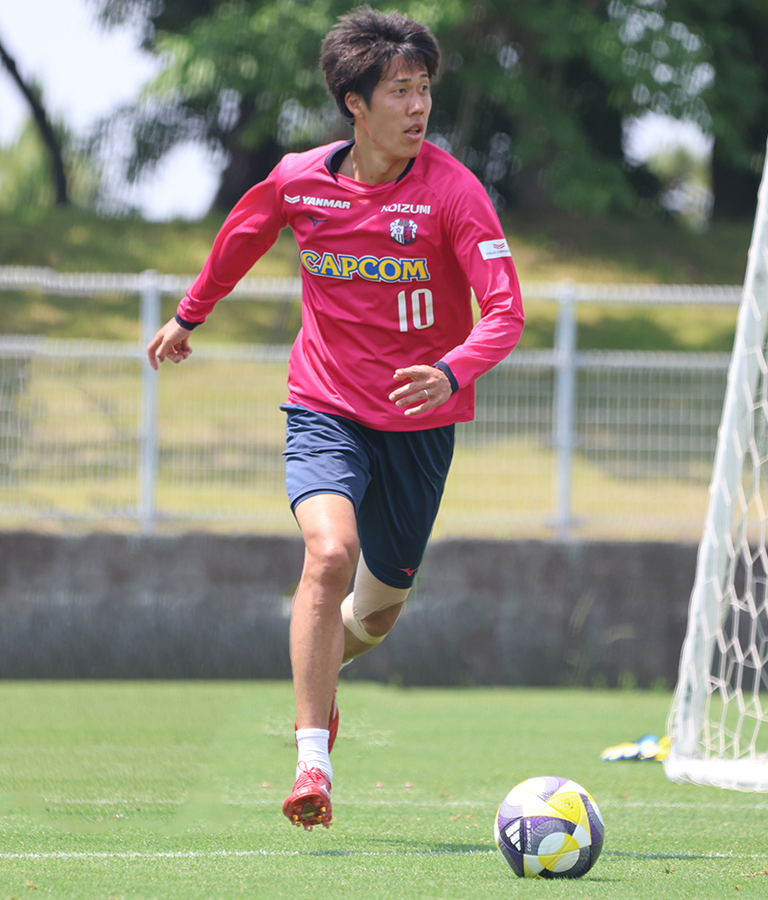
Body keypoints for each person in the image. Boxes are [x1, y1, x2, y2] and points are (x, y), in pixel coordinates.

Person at [145, 6, 524, 830]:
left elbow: (506, 313)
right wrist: (189, 315)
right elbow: (243, 234)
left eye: (425, 89)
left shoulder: (455, 193)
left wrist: (451, 368)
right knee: (328, 553)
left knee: (376, 615)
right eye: (400, 90)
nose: (418, 106)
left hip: (421, 427)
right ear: (356, 102)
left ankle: (321, 666)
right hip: (325, 407)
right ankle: (311, 761)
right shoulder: (299, 179)